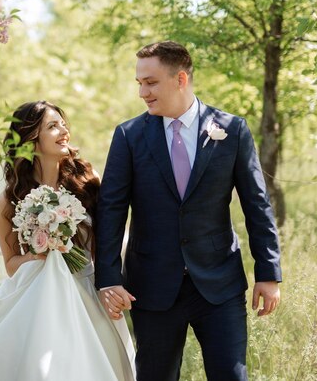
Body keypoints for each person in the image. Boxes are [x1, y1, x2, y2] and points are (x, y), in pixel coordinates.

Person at [94, 41, 282, 381]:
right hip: (151, 286)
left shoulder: (233, 129)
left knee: (231, 375)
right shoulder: (129, 135)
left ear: (180, 79)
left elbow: (257, 204)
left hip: (219, 283)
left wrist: (268, 274)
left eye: (150, 82)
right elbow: (111, 210)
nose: (143, 92)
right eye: (139, 83)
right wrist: (108, 278)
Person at [0, 101, 136, 381]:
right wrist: (43, 252)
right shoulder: (12, 197)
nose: (64, 131)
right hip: (36, 297)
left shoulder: (87, 183)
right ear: (32, 139)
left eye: (63, 124)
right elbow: (11, 263)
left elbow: (103, 246)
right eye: (52, 126)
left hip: (85, 291)